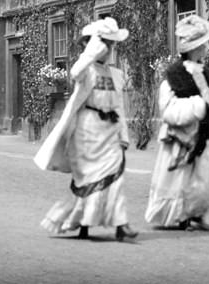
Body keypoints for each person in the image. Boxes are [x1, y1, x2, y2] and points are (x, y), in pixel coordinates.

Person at [34, 17, 138, 242]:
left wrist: (123, 135)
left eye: (112, 45)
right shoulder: (86, 70)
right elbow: (74, 73)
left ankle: (121, 225)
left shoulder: (116, 75)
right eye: (106, 44)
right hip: (87, 130)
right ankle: (83, 224)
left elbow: (118, 105)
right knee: (88, 179)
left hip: (109, 130)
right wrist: (91, 52)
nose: (109, 49)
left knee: (115, 177)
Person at [145, 14, 209, 231]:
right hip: (182, 135)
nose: (205, 48)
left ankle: (196, 212)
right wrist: (196, 106)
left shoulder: (204, 71)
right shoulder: (175, 74)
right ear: (194, 48)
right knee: (181, 177)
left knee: (203, 175)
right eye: (202, 45)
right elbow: (168, 108)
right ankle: (180, 216)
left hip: (204, 132)